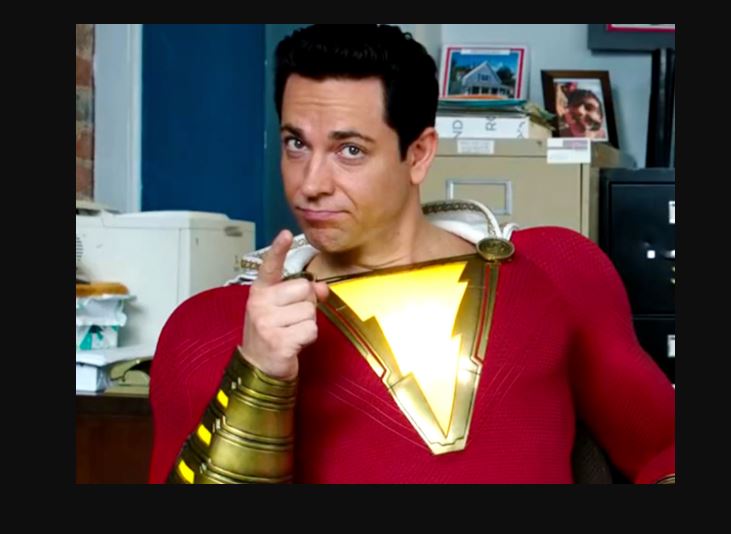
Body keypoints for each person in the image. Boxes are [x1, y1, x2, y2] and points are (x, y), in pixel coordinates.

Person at [148, 24, 675, 484]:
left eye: (349, 150)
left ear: (418, 154)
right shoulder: (212, 328)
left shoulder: (554, 271)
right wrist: (257, 377)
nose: (310, 184)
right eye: (296, 144)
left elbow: (665, 451)